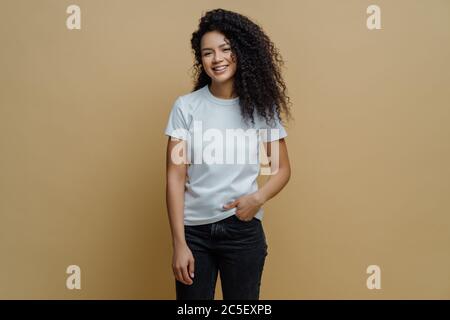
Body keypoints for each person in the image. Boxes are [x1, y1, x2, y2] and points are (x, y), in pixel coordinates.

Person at [164, 8, 292, 300]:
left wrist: (256, 199)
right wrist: (179, 244)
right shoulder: (186, 108)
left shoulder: (261, 109)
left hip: (242, 232)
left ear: (242, 52)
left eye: (225, 49)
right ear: (201, 60)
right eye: (207, 52)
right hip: (194, 234)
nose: (217, 58)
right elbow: (174, 176)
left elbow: (281, 169)